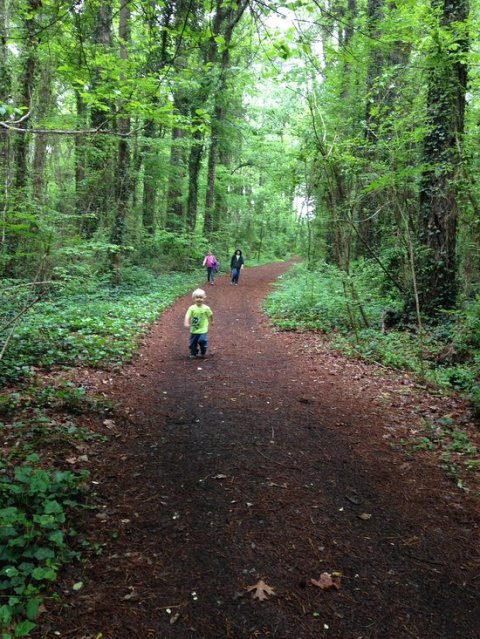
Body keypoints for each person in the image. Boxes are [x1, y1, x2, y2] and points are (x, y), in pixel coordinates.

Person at [184, 288, 214, 359]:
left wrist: (212, 321)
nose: (199, 299)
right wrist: (186, 322)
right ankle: (193, 353)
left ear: (204, 298)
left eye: (201, 297)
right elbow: (187, 315)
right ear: (194, 298)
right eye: (197, 297)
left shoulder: (206, 308)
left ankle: (203, 350)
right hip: (194, 329)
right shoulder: (191, 308)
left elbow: (210, 314)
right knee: (192, 343)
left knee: (202, 340)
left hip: (203, 328)